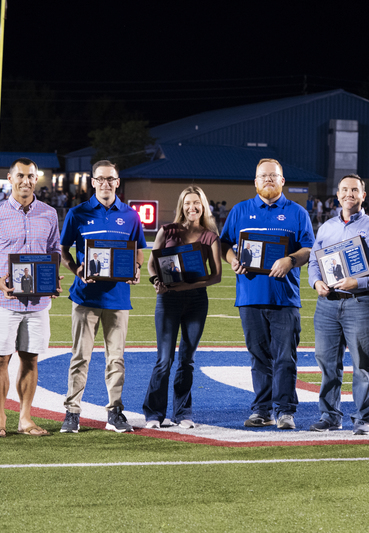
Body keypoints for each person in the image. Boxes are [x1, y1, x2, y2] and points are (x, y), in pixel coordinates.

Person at [221, 158, 314, 430]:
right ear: (255, 181)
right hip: (249, 296)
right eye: (263, 176)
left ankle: (285, 410)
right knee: (258, 356)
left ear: (283, 180)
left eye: (274, 176)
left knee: (285, 357)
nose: (268, 180)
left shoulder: (297, 212)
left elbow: (308, 248)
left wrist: (291, 261)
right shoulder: (240, 211)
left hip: (284, 297)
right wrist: (231, 259)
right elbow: (225, 243)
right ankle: (262, 410)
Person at [0, 157, 61, 437]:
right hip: (5, 300)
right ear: (9, 178)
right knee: (0, 358)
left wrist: (53, 278)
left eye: (31, 176)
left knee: (30, 358)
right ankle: (0, 419)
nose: (26, 181)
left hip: (38, 302)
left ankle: (25, 418)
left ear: (37, 179)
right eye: (21, 176)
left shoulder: (49, 213)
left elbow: (54, 250)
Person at [59, 160, 147, 434]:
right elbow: (62, 251)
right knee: (80, 357)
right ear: (93, 182)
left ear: (117, 182)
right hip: (85, 296)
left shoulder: (131, 216)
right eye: (101, 179)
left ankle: (115, 412)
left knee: (116, 359)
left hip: (118, 298)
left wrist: (136, 268)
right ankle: (72, 412)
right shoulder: (78, 213)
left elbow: (139, 250)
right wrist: (76, 269)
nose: (106, 183)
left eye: (111, 179)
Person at [307, 174, 369, 435]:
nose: (349, 194)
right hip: (328, 304)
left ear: (363, 196)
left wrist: (360, 283)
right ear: (338, 194)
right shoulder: (326, 227)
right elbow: (314, 262)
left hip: (361, 302)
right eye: (344, 189)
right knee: (326, 361)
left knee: (363, 364)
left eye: (354, 190)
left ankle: (363, 418)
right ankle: (330, 416)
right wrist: (316, 283)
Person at [143, 186, 223, 429]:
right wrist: (157, 281)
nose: (192, 207)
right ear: (181, 206)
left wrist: (184, 287)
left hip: (197, 301)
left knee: (187, 359)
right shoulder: (167, 231)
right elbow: (151, 265)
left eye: (196, 203)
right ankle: (154, 414)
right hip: (168, 300)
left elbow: (216, 276)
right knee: (164, 360)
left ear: (203, 206)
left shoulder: (210, 236)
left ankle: (182, 413)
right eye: (188, 203)